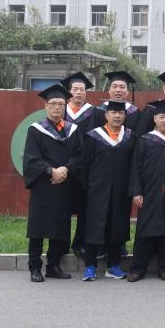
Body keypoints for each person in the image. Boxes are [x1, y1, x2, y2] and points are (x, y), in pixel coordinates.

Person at [70, 99, 134, 281]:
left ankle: (113, 265)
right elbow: (85, 164)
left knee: (117, 227)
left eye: (120, 113)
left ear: (125, 116)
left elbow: (134, 165)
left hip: (121, 192)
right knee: (94, 227)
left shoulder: (130, 137)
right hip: (96, 191)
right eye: (113, 113)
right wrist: (87, 188)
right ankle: (90, 266)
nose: (117, 116)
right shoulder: (94, 137)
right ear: (106, 115)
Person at [22, 84, 80, 282]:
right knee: (38, 228)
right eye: (53, 103)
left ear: (65, 106)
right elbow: (31, 158)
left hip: (64, 184)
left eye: (61, 104)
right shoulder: (36, 130)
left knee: (59, 227)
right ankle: (35, 267)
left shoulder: (73, 130)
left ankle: (53, 266)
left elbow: (79, 156)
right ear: (46, 106)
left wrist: (65, 169)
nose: (57, 107)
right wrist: (51, 171)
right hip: (43, 185)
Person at [127, 99, 165, 282]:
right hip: (149, 193)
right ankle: (137, 269)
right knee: (144, 232)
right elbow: (135, 167)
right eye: (161, 117)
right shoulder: (145, 140)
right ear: (154, 119)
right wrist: (136, 191)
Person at [62, 71, 96, 255]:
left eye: (82, 89)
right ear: (69, 92)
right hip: (65, 166)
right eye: (75, 89)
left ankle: (79, 243)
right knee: (63, 207)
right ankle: (61, 243)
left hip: (86, 168)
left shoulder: (94, 113)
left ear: (86, 92)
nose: (79, 93)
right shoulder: (61, 111)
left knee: (84, 207)